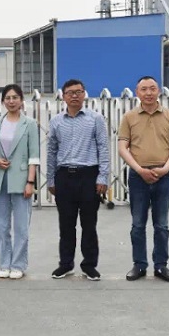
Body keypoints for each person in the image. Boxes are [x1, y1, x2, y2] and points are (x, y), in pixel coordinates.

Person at [118, 75, 169, 283]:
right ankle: (139, 265)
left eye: (152, 88)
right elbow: (122, 148)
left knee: (161, 225)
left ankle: (161, 266)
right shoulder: (129, 117)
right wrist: (139, 169)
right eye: (144, 89)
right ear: (137, 93)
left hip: (163, 176)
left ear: (159, 91)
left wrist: (165, 168)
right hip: (138, 177)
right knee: (138, 224)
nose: (148, 93)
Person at [47, 79, 110, 281]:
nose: (74, 96)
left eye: (78, 92)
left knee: (89, 224)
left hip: (89, 176)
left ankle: (89, 265)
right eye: (70, 92)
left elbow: (103, 148)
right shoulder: (56, 121)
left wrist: (103, 176)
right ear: (63, 96)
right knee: (66, 224)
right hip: (64, 176)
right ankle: (65, 264)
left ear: (84, 94)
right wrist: (51, 179)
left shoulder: (95, 119)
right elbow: (51, 151)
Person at [0, 83, 39, 280]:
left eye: (15, 97)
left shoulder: (29, 124)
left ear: (21, 100)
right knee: (2, 225)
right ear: (2, 101)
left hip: (22, 179)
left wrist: (30, 182)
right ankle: (4, 263)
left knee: (21, 226)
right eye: (7, 98)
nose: (11, 101)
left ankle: (18, 264)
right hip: (0, 179)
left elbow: (34, 155)